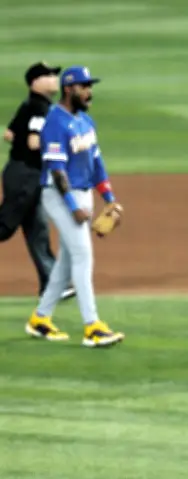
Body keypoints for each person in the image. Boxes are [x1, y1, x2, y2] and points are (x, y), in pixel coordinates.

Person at [25, 66, 125, 347]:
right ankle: (92, 326)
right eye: (84, 86)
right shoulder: (55, 122)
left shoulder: (85, 122)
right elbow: (57, 171)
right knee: (83, 255)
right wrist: (72, 206)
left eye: (90, 85)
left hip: (83, 196)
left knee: (67, 261)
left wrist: (109, 198)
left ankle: (41, 318)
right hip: (58, 196)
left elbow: (97, 165)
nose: (89, 91)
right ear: (69, 89)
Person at [1, 61, 74, 300]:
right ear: (35, 82)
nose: (54, 78)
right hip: (25, 176)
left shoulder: (32, 105)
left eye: (55, 74)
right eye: (48, 75)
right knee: (4, 227)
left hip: (25, 173)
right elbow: (33, 143)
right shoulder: (40, 109)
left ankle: (54, 285)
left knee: (37, 230)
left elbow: (9, 135)